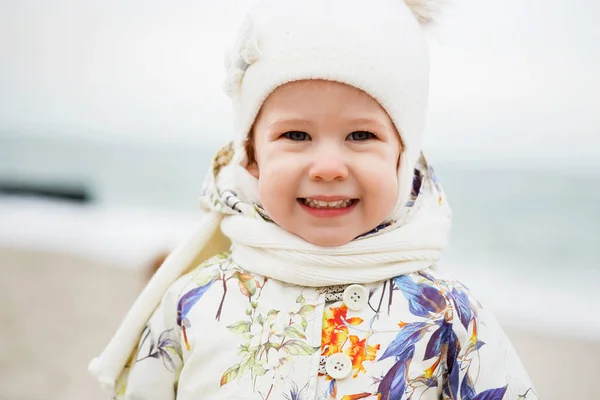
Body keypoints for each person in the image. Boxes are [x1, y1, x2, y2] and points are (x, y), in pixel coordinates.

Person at [89, 0, 539, 398]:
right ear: (250, 156)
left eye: (361, 135)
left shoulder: (450, 316)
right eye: (296, 134)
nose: (328, 166)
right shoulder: (194, 302)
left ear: (404, 159)